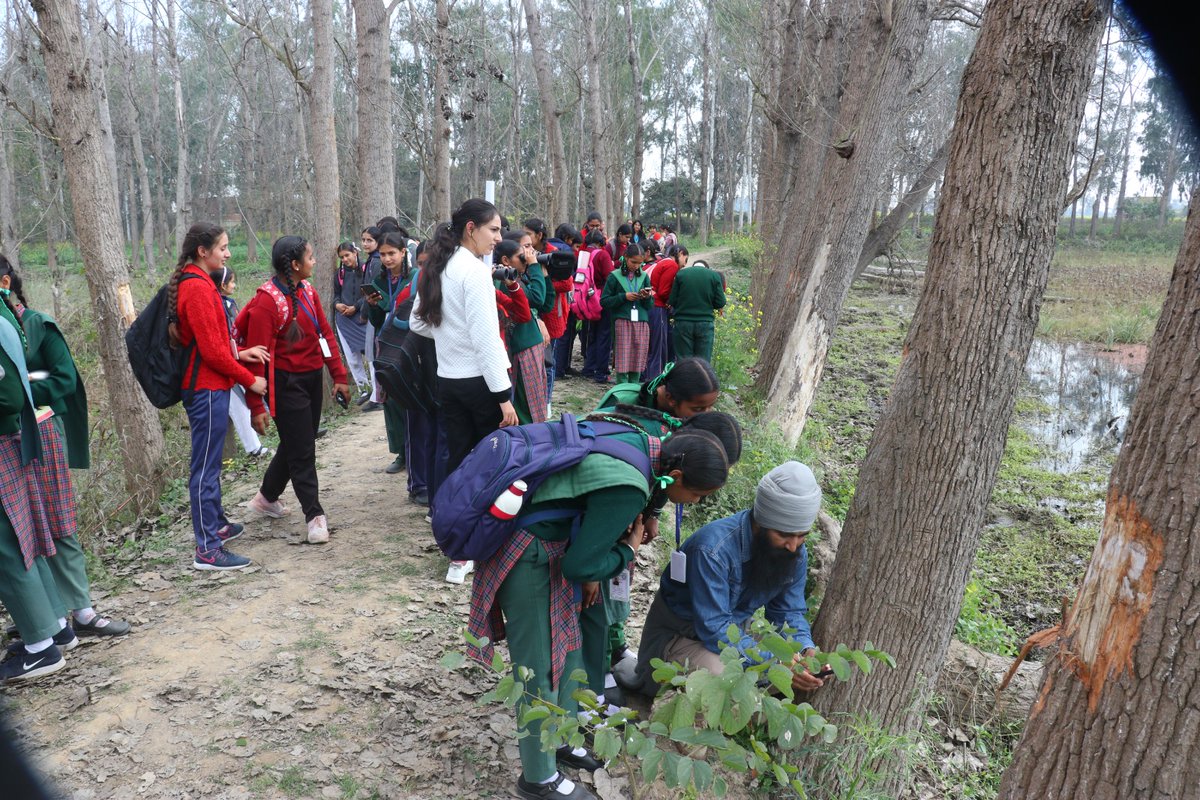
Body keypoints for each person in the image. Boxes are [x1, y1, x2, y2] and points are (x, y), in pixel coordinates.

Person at [467, 423, 731, 800]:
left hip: (552, 547)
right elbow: (580, 567)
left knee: (567, 649)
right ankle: (538, 780)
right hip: (526, 555)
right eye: (697, 494)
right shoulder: (629, 486)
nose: (695, 502)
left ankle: (559, 738)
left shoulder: (645, 444)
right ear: (675, 475)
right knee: (539, 670)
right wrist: (627, 550)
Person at [0, 259, 131, 669]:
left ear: (7, 283)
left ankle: (82, 610)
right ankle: (53, 618)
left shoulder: (39, 324)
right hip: (16, 438)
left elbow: (64, 380)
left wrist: (26, 386)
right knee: (30, 526)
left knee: (58, 521)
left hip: (42, 432)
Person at [627, 461, 827, 697]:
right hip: (677, 642)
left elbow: (789, 613)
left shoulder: (793, 552)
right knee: (720, 678)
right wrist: (776, 662)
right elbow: (714, 630)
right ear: (761, 523)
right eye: (783, 535)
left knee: (790, 666)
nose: (793, 546)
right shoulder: (712, 550)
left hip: (728, 638)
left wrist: (804, 649)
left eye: (801, 536)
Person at [410, 198, 517, 585]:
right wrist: (503, 396)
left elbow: (417, 323)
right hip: (480, 384)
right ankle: (481, 543)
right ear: (471, 228)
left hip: (449, 380)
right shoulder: (472, 272)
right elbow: (487, 340)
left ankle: (456, 545)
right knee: (491, 464)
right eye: (494, 230)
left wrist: (447, 335)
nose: (499, 238)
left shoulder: (440, 265)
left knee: (457, 461)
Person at [171, 223, 270, 570]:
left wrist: (239, 359)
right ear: (203, 251)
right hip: (205, 388)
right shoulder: (196, 288)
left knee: (209, 465)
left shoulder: (198, 283)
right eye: (223, 248)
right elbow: (213, 353)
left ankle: (217, 526)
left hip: (211, 385)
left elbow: (214, 345)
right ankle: (207, 549)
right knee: (205, 470)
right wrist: (249, 380)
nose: (228, 254)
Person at [240, 236, 350, 545]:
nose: (315, 262)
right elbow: (257, 355)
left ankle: (266, 498)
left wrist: (338, 375)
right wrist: (256, 405)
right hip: (285, 385)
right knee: (303, 450)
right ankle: (314, 516)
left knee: (296, 443)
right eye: (311, 257)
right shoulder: (267, 301)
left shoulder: (308, 291)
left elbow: (324, 334)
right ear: (295, 265)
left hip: (312, 379)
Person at [0, 307, 66, 682]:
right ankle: (55, 625)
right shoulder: (5, 312)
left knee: (8, 548)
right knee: (24, 538)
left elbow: (8, 394)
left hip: (4, 437)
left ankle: (41, 649)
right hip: (13, 439)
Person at [364, 231, 415, 474]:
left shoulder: (414, 277)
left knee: (411, 398)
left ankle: (416, 449)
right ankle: (401, 452)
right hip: (385, 345)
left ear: (403, 252)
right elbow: (375, 321)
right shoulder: (378, 282)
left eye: (391, 253)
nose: (387, 259)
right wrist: (373, 305)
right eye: (383, 254)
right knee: (391, 400)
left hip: (410, 344)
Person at [213, 267, 271, 458]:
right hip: (226, 364)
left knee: (245, 401)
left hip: (237, 359)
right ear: (222, 285)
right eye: (231, 282)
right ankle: (253, 447)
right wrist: (241, 353)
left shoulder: (230, 303)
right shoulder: (218, 306)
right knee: (238, 405)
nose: (234, 285)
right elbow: (222, 342)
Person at [496, 234, 551, 424]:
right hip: (522, 347)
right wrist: (535, 266)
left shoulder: (519, 277)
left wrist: (542, 272)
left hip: (529, 344)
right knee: (527, 401)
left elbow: (546, 303)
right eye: (523, 253)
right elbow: (536, 299)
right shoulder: (507, 281)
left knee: (535, 398)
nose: (528, 256)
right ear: (505, 260)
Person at [526, 218, 571, 409]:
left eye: (528, 233)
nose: (526, 237)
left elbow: (567, 283)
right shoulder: (525, 253)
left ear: (539, 235)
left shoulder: (553, 254)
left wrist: (542, 279)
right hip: (533, 315)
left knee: (548, 360)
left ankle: (547, 401)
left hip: (551, 314)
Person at [599, 241, 652, 384]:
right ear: (625, 257)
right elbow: (604, 301)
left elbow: (649, 306)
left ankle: (634, 389)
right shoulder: (614, 276)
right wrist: (624, 297)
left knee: (637, 359)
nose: (636, 266)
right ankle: (621, 389)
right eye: (633, 262)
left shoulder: (644, 277)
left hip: (641, 322)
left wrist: (647, 297)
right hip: (622, 322)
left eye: (640, 263)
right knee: (623, 359)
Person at [331, 241, 374, 403]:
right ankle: (364, 389)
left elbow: (369, 293)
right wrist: (337, 304)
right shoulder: (339, 275)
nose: (345, 259)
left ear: (355, 253)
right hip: (344, 320)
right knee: (352, 357)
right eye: (341, 257)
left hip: (362, 317)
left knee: (371, 355)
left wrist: (355, 307)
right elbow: (336, 294)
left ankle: (377, 390)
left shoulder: (365, 270)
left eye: (347, 255)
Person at [669, 255, 727, 363]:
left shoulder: (681, 274)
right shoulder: (714, 276)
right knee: (703, 362)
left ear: (693, 266)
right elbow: (721, 302)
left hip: (683, 323)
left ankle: (685, 379)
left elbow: (672, 300)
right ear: (706, 268)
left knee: (684, 361)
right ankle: (701, 379)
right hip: (705, 324)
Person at [645, 246, 687, 378]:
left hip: (651, 305)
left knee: (653, 345)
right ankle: (654, 378)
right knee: (658, 346)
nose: (684, 265)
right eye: (685, 259)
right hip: (657, 306)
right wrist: (673, 301)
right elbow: (664, 291)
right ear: (680, 253)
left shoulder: (662, 261)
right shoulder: (671, 265)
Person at [580, 229, 615, 383]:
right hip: (601, 298)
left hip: (586, 298)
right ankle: (601, 372)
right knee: (604, 335)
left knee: (592, 334)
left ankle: (589, 367)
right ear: (602, 242)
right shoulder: (603, 255)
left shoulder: (582, 254)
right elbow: (611, 277)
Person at [359, 226, 384, 409]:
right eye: (364, 240)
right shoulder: (369, 261)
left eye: (370, 240)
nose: (366, 243)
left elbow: (373, 289)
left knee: (375, 354)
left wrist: (365, 312)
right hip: (370, 309)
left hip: (376, 311)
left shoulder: (376, 263)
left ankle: (377, 396)